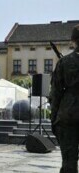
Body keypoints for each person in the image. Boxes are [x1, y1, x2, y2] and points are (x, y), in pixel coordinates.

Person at [50, 24, 79, 173]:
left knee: (69, 162)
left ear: (73, 41)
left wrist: (53, 118)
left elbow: (55, 93)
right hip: (69, 115)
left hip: (68, 115)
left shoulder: (64, 62)